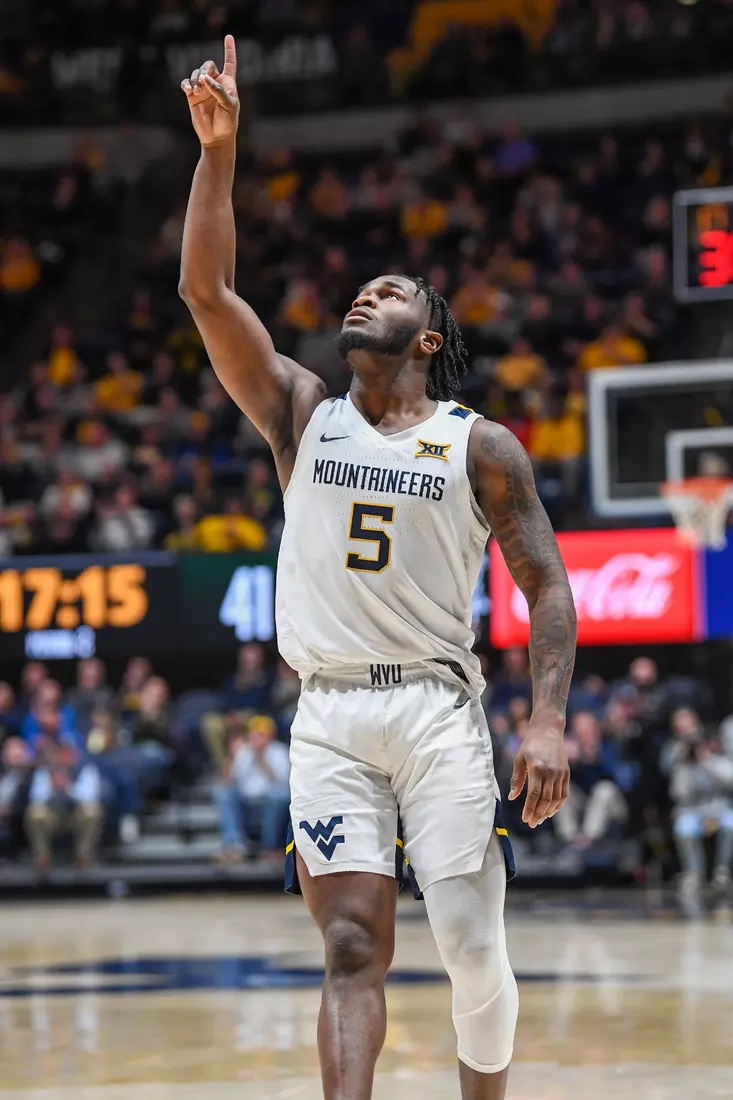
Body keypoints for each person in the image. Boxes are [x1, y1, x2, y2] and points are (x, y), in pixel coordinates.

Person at [179, 38, 576, 1100]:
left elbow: (546, 583)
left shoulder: (477, 444)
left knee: (469, 946)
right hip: (329, 713)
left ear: (430, 334)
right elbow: (207, 291)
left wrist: (544, 717)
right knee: (352, 942)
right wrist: (218, 153)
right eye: (359, 288)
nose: (363, 295)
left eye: (387, 290)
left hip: (439, 708)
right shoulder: (302, 413)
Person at [660, 708, 733, 916]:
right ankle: (694, 873)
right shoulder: (675, 753)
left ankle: (722, 872)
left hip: (719, 806)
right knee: (684, 828)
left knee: (731, 822)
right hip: (691, 808)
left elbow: (729, 779)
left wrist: (706, 759)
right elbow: (678, 793)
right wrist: (683, 762)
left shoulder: (714, 746)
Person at [212, 714, 291, 862]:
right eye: (254, 734)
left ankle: (271, 847)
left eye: (261, 734)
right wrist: (231, 757)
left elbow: (281, 786)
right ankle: (234, 846)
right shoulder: (243, 751)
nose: (256, 738)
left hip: (269, 804)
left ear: (270, 735)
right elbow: (227, 780)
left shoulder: (279, 751)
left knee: (277, 796)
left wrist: (261, 759)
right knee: (222, 792)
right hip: (246, 803)